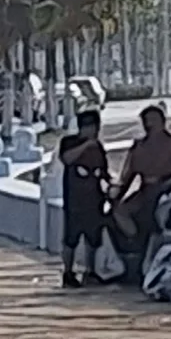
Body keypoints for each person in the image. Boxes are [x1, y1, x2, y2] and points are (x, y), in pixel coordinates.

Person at [109, 103, 171, 266]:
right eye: (146, 121)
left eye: (153, 120)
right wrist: (116, 196)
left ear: (163, 122)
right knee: (120, 211)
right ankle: (135, 243)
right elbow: (127, 177)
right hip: (146, 191)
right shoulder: (139, 147)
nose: (149, 124)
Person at [57, 111, 115, 286]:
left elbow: (103, 171)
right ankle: (68, 272)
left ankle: (90, 271)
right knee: (71, 238)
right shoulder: (69, 142)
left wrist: (112, 184)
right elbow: (66, 159)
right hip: (74, 199)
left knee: (93, 237)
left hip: (94, 198)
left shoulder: (98, 148)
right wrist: (86, 144)